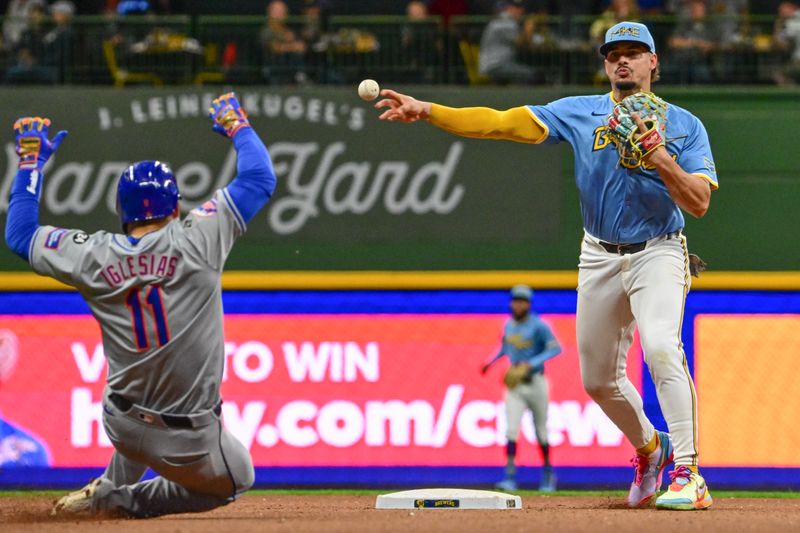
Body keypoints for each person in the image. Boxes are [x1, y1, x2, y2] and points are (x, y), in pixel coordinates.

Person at [374, 20, 718, 511]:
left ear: (653, 62)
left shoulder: (684, 125)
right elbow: (498, 121)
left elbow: (700, 202)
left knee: (662, 349)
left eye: (635, 52)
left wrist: (659, 155)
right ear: (605, 63)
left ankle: (687, 471)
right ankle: (651, 447)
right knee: (598, 380)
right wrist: (428, 110)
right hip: (598, 254)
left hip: (659, 250)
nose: (623, 59)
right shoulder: (580, 113)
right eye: (614, 52)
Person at [4, 92, 277, 518]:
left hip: (121, 424)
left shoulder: (92, 254)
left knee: (139, 400)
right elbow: (260, 177)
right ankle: (124, 499)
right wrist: (237, 123)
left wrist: (30, 164)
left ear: (122, 212)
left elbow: (20, 235)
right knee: (239, 479)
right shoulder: (198, 238)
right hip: (188, 439)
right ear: (175, 208)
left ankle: (111, 483)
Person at [481, 285, 561, 492]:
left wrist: (532, 363)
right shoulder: (508, 325)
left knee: (541, 431)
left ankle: (547, 475)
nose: (518, 304)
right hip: (515, 384)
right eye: (515, 300)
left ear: (529, 304)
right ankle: (509, 476)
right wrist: (490, 362)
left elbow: (555, 348)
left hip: (536, 382)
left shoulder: (539, 325)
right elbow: (505, 348)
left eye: (522, 301)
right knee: (511, 430)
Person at [478, 0, 542, 84]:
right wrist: (528, 28)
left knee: (525, 71)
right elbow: (520, 43)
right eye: (517, 7)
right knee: (533, 74)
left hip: (499, 63)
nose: (521, 11)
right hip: (495, 65)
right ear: (508, 8)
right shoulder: (504, 21)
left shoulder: (506, 21)